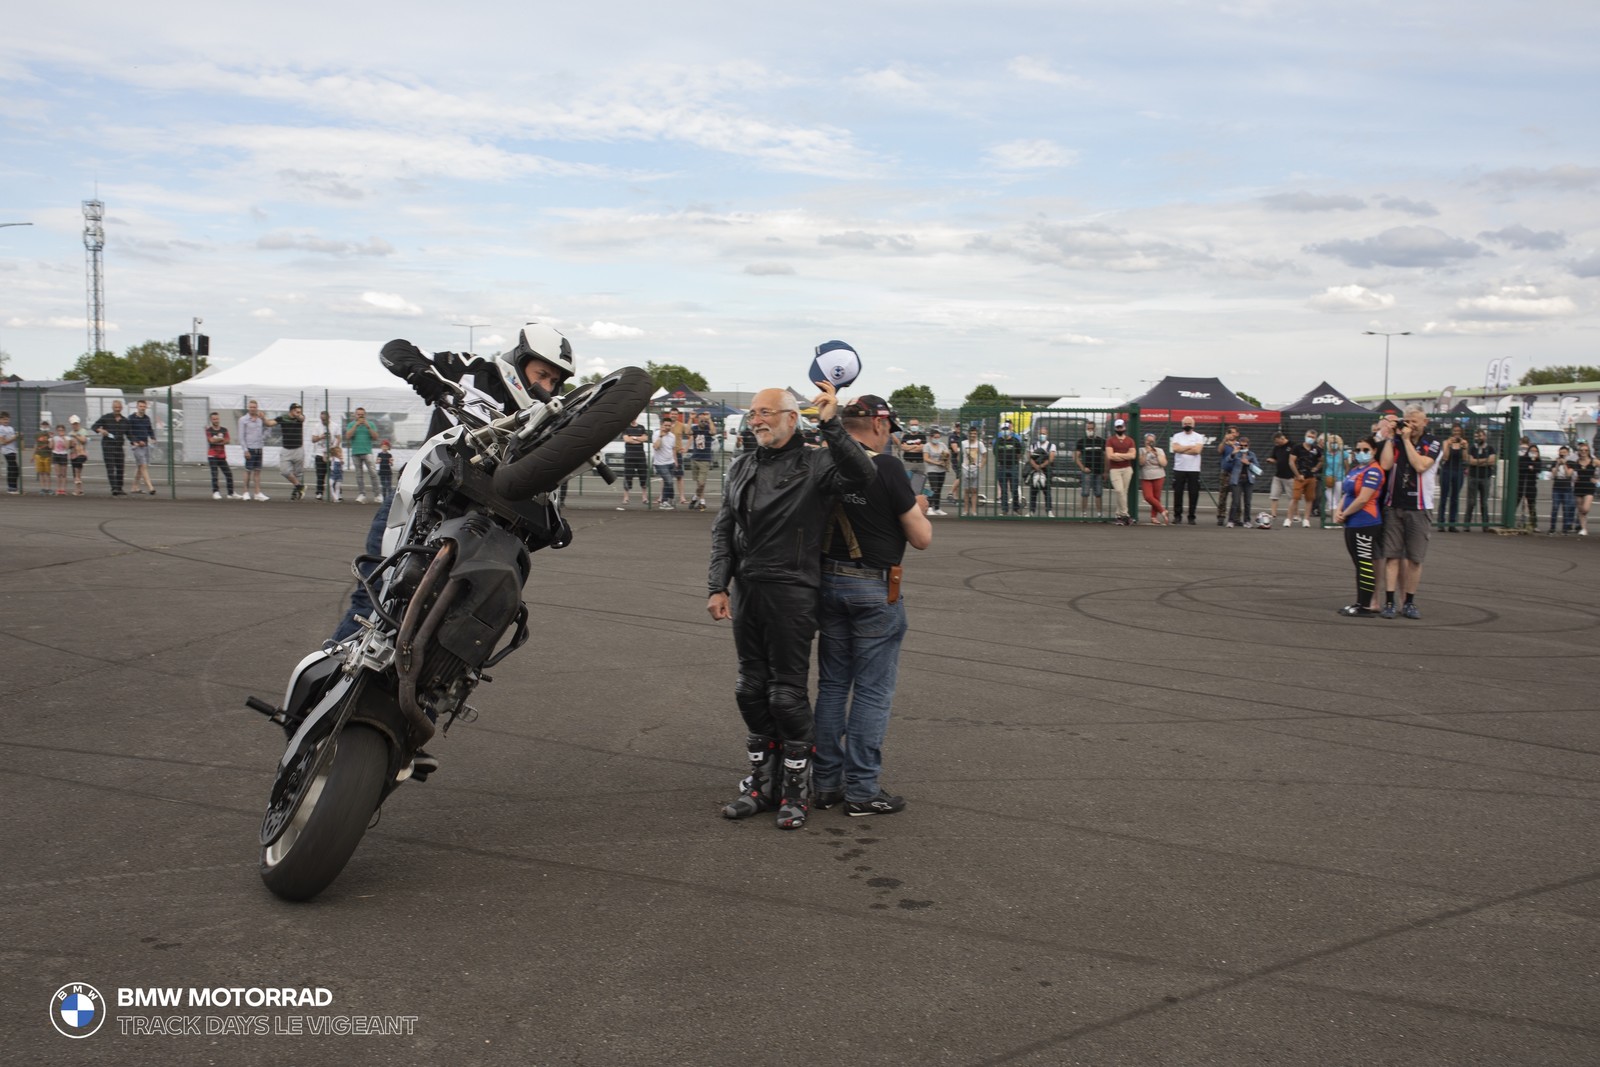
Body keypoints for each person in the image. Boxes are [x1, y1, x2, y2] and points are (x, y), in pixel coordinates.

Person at [707, 377, 874, 831]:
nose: (756, 419)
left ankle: (795, 790)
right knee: (749, 689)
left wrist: (833, 425)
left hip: (793, 590)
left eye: (765, 412)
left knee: (786, 694)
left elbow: (863, 475)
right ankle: (761, 784)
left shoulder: (817, 462)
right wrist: (717, 585)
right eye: (753, 413)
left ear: (791, 418)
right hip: (747, 590)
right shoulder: (741, 465)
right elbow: (724, 529)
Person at [813, 395, 932, 818]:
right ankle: (862, 790)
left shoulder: (822, 461)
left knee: (831, 686)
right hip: (872, 588)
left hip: (827, 581)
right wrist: (917, 508)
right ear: (880, 426)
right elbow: (921, 538)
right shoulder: (887, 467)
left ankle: (824, 783)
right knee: (872, 691)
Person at [1377, 405, 1440, 620]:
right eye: (1407, 420)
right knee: (1392, 556)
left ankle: (1410, 601)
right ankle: (1389, 600)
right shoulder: (1396, 440)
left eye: (1415, 421)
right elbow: (1385, 464)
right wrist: (1390, 437)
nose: (1410, 425)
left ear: (1425, 422)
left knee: (1415, 558)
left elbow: (1420, 465)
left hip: (1420, 507)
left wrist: (1405, 441)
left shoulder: (1432, 442)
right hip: (1395, 505)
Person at [1332, 436, 1386, 617]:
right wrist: (1338, 511)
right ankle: (1359, 602)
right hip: (1352, 522)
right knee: (1359, 563)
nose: (1361, 453)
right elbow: (1346, 493)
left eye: (1365, 450)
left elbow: (1363, 498)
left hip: (1365, 522)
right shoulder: (1355, 470)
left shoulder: (1374, 471)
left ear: (1374, 451)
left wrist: (1345, 513)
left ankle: (1365, 606)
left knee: (1364, 564)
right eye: (1358, 450)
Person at [1168, 417, 1205, 525]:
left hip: (1194, 469)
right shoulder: (1177, 436)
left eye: (1189, 423)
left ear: (1193, 425)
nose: (1187, 425)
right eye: (1185, 423)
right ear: (1182, 424)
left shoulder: (1198, 437)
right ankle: (1177, 516)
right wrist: (1189, 447)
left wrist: (1182, 449)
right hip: (1179, 468)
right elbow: (1175, 449)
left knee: (1194, 493)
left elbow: (1197, 451)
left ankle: (1191, 516)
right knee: (1178, 492)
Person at [90, 401, 130, 496]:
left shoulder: (125, 421)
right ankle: (114, 488)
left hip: (119, 447)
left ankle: (120, 488)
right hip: (108, 446)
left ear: (121, 408)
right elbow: (94, 426)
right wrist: (100, 430)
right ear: (112, 408)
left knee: (120, 468)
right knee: (110, 467)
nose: (117, 409)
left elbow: (129, 434)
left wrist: (135, 441)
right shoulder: (106, 417)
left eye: (119, 407)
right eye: (115, 407)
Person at [1286, 428, 1323, 528]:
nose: (1310, 438)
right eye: (1309, 436)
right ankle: (1288, 519)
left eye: (1313, 437)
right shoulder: (1297, 447)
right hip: (1299, 477)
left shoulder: (1316, 449)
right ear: (1305, 436)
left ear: (1315, 439)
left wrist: (1316, 468)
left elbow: (1321, 460)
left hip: (1311, 477)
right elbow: (1291, 461)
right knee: (1295, 498)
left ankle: (1306, 519)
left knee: (1309, 499)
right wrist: (1297, 474)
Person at [271, 402, 307, 501]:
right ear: (291, 410)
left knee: (298, 473)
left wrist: (298, 415)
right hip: (286, 450)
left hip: (298, 449)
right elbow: (270, 423)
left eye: (300, 410)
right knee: (284, 471)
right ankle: (299, 486)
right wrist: (262, 418)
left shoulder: (300, 417)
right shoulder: (283, 418)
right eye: (296, 410)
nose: (299, 412)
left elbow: (302, 419)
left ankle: (296, 492)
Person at [1436, 423, 1469, 531]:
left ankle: (1452, 523)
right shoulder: (1446, 442)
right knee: (1444, 496)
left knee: (1455, 498)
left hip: (1458, 470)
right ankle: (1441, 522)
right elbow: (1445, 457)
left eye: (1458, 431)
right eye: (1455, 431)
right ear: (1452, 432)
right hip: (1446, 470)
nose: (1456, 433)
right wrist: (1448, 445)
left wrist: (1464, 447)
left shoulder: (1464, 443)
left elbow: (1465, 458)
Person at [1222, 434, 1259, 527]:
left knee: (1247, 502)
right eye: (1241, 445)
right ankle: (1231, 521)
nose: (1243, 447)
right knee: (1235, 501)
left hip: (1248, 480)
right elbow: (1226, 461)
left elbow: (1258, 470)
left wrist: (1248, 463)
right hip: (1236, 480)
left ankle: (1247, 521)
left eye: (1245, 445)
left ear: (1248, 446)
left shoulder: (1252, 455)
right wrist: (1233, 453)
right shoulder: (1236, 453)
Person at [1464, 427, 1497, 531]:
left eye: (1481, 435)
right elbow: (1470, 461)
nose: (1479, 437)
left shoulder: (1490, 448)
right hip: (1473, 477)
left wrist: (1477, 461)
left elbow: (1492, 461)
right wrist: (1484, 461)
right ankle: (1466, 524)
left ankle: (1485, 525)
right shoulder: (1472, 448)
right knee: (1471, 502)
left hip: (1485, 478)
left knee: (1484, 503)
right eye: (1477, 436)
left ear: (1485, 436)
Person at [1106, 417, 1137, 525]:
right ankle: (1125, 515)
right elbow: (1110, 456)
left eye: (1121, 427)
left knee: (1124, 492)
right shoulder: (1110, 440)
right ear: (1115, 428)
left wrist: (1119, 455)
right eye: (1118, 427)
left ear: (1124, 427)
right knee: (1119, 491)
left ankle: (1118, 515)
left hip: (1127, 469)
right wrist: (1125, 456)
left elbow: (1133, 455)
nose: (1120, 429)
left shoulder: (1130, 440)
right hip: (1115, 469)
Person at [344, 407, 378, 503]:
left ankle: (377, 495)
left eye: (362, 414)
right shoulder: (351, 424)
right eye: (358, 414)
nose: (360, 416)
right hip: (356, 452)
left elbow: (375, 437)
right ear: (355, 415)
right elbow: (348, 436)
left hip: (367, 452)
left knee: (373, 474)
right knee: (359, 475)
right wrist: (356, 425)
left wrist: (368, 426)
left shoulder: (370, 424)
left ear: (365, 415)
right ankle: (362, 494)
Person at [1074, 420, 1106, 520]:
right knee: (1085, 493)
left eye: (1092, 429)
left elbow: (1106, 456)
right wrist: (1083, 468)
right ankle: (1083, 514)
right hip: (1087, 471)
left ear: (1095, 429)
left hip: (1098, 471)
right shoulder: (1081, 441)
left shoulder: (1101, 441)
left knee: (1099, 493)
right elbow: (1076, 457)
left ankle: (1099, 514)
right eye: (1088, 429)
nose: (1090, 431)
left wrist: (1105, 470)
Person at [238, 400, 269, 501]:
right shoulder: (243, 420)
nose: (252, 409)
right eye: (251, 407)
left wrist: (263, 437)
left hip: (259, 448)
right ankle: (245, 492)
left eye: (254, 407)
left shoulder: (260, 419)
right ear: (248, 408)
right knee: (248, 471)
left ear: (257, 408)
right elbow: (241, 436)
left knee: (257, 471)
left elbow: (268, 428)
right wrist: (245, 450)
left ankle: (257, 492)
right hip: (249, 448)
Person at [992, 421, 1025, 515]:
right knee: (1003, 490)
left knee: (1014, 489)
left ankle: (1016, 508)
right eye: (1003, 429)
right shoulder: (999, 441)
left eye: (1006, 429)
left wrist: (1014, 460)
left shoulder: (1015, 441)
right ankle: (1004, 509)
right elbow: (995, 452)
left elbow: (1019, 453)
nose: (1005, 431)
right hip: (1002, 466)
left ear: (1010, 430)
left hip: (1013, 466)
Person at [204, 412, 239, 499]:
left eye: (217, 418)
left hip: (222, 456)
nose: (216, 420)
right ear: (211, 420)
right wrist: (220, 439)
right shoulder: (209, 430)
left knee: (228, 474)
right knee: (215, 474)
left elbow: (227, 441)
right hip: (212, 455)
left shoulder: (224, 430)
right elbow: (211, 441)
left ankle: (230, 493)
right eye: (214, 419)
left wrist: (218, 439)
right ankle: (215, 492)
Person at [686, 412, 716, 511]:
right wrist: (690, 419)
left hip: (705, 459)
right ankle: (701, 501)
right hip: (695, 458)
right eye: (701, 420)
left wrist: (710, 419)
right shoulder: (695, 429)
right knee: (698, 483)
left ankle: (695, 498)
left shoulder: (708, 429)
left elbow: (713, 431)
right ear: (698, 420)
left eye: (704, 420)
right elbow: (687, 431)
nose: (703, 422)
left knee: (702, 483)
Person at [127, 399, 157, 495]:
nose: (142, 408)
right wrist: (136, 441)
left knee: (140, 467)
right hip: (136, 446)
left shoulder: (146, 418)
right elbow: (129, 432)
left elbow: (149, 429)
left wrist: (152, 437)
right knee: (143, 466)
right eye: (141, 406)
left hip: (145, 445)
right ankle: (150, 487)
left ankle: (134, 487)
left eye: (144, 407)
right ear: (137, 407)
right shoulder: (131, 418)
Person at [1138, 432, 1169, 525]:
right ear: (1145, 441)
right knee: (1148, 497)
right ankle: (1163, 511)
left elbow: (1164, 464)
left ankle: (1153, 517)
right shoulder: (1141, 450)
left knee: (1156, 497)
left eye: (1151, 441)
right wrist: (1147, 452)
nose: (1149, 443)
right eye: (1148, 441)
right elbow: (1141, 463)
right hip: (1146, 475)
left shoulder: (1159, 450)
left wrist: (1156, 454)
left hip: (1158, 475)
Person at [618, 418, 649, 508]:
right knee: (628, 477)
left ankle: (644, 497)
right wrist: (638, 439)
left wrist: (634, 438)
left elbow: (645, 438)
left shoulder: (641, 427)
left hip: (640, 456)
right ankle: (626, 497)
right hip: (629, 457)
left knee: (643, 476)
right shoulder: (626, 427)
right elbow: (627, 439)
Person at [1027, 425, 1056, 518]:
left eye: (1043, 434)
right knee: (1033, 491)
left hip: (1046, 470)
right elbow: (1030, 457)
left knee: (1047, 491)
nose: (1041, 435)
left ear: (1047, 434)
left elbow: (1051, 458)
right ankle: (1031, 511)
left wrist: (1041, 466)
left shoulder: (1051, 446)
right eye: (1040, 433)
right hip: (1034, 470)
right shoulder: (1034, 445)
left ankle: (1049, 511)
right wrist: (1035, 466)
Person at [1548, 445, 1577, 534]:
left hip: (1566, 487)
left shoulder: (1571, 463)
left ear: (1568, 453)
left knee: (1566, 508)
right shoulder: (1555, 462)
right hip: (1557, 487)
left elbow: (1568, 474)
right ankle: (1552, 527)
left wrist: (1564, 464)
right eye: (1561, 453)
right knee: (1555, 507)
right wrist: (1557, 464)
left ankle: (1565, 528)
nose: (1562, 454)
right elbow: (1553, 474)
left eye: (1564, 453)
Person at [652, 416, 679, 510]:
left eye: (669, 425)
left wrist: (675, 461)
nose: (667, 427)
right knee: (669, 481)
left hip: (670, 462)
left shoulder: (672, 436)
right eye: (665, 425)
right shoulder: (656, 434)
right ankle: (664, 501)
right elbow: (656, 447)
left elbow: (673, 449)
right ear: (661, 425)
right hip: (660, 463)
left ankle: (670, 499)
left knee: (669, 483)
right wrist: (661, 436)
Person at [959, 425, 986, 516]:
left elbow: (984, 456)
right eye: (971, 434)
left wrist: (981, 466)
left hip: (976, 469)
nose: (973, 435)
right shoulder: (963, 443)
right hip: (966, 468)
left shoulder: (980, 444)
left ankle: (974, 510)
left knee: (974, 491)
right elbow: (959, 455)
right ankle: (965, 510)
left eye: (975, 434)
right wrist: (961, 465)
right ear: (968, 434)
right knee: (966, 491)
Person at [923, 427, 951, 516]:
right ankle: (929, 507)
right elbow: (926, 458)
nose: (937, 439)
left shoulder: (942, 445)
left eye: (938, 437)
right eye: (935, 437)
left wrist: (945, 461)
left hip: (941, 469)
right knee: (934, 488)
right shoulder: (927, 446)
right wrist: (936, 462)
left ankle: (937, 508)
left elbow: (947, 454)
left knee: (939, 489)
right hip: (932, 469)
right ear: (931, 437)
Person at [1215, 426, 1239, 526]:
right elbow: (1219, 451)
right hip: (1225, 472)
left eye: (1233, 432)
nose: (1231, 434)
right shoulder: (1224, 444)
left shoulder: (1239, 444)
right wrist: (1225, 440)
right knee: (1223, 495)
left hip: (1236, 473)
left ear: (1237, 434)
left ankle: (1236, 517)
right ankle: (1221, 516)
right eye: (1230, 432)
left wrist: (1234, 446)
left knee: (1236, 496)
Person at [1322, 434, 1348, 522]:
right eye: (1332, 442)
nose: (1334, 444)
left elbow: (1347, 466)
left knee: (1337, 500)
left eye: (1336, 442)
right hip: (1328, 478)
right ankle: (1334, 520)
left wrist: (1345, 476)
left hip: (1340, 478)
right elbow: (1323, 465)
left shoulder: (1343, 453)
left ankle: (1336, 520)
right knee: (1330, 499)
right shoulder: (1326, 454)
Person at [1516, 440, 1540, 531]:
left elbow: (1537, 469)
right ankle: (1510, 520)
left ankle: (1534, 524)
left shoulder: (1538, 460)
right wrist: (1529, 467)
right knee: (1516, 502)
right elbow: (1521, 466)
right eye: (1532, 451)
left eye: (1535, 451)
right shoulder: (1523, 458)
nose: (1533, 453)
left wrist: (1533, 462)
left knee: (1532, 505)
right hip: (1522, 483)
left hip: (1531, 485)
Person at [1572, 442, 1596, 536]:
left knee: (1585, 509)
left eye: (1585, 450)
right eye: (1581, 450)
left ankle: (1584, 525)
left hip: (1589, 487)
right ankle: (1583, 528)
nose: (1583, 452)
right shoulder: (1576, 462)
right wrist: (1574, 478)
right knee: (1580, 508)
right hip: (1578, 486)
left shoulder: (1594, 461)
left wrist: (1597, 480)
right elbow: (1571, 472)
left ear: (1588, 451)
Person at [311, 411, 333, 500]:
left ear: (329, 417)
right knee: (320, 475)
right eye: (321, 419)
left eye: (324, 419)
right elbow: (313, 439)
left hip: (332, 454)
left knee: (333, 475)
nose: (323, 421)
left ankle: (337, 493)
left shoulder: (334, 426)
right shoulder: (317, 426)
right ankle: (319, 492)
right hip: (320, 453)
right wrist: (320, 437)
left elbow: (338, 438)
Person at [67, 416, 88, 495]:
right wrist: (70, 443)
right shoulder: (70, 433)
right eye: (73, 424)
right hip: (73, 454)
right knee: (75, 472)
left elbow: (83, 441)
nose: (74, 425)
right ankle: (78, 489)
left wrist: (76, 436)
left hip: (81, 453)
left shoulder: (83, 431)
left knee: (77, 467)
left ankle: (78, 484)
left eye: (76, 424)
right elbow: (69, 446)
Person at [32, 419, 52, 494]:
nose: (44, 426)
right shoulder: (37, 434)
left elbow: (51, 446)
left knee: (47, 473)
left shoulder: (50, 434)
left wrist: (50, 438)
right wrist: (33, 455)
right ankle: (43, 488)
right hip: (39, 455)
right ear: (41, 425)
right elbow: (36, 445)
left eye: (46, 425)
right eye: (43, 424)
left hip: (47, 455)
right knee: (41, 473)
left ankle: (49, 488)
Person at [0, 410, 18, 494]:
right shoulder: (1, 428)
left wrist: (18, 437)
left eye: (7, 419)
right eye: (4, 419)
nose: (6, 421)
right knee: (12, 468)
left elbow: (13, 438)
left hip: (13, 450)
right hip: (7, 451)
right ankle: (11, 488)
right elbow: (3, 442)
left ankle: (14, 487)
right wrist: (15, 437)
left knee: (14, 468)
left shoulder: (11, 428)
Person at [50, 423, 70, 495]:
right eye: (59, 430)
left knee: (63, 473)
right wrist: (51, 438)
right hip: (56, 455)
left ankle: (63, 489)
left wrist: (63, 437)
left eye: (62, 430)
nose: (60, 431)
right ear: (57, 431)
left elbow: (67, 447)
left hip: (63, 455)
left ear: (64, 430)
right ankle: (58, 489)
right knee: (58, 474)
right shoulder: (55, 438)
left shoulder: (67, 438)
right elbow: (51, 447)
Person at [376, 438, 394, 505]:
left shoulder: (389, 455)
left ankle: (389, 499)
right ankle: (384, 498)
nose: (384, 448)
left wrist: (391, 462)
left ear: (388, 447)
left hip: (388, 471)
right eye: (383, 446)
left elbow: (391, 463)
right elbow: (377, 462)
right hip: (382, 471)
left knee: (389, 486)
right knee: (383, 485)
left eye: (386, 446)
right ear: (381, 447)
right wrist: (378, 461)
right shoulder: (379, 454)